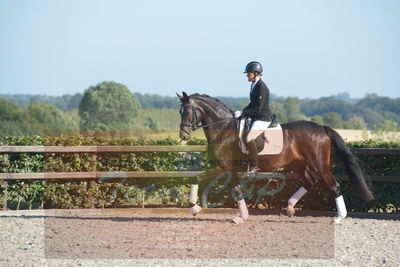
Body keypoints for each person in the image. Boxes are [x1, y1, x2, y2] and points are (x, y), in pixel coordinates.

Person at [234, 61, 272, 177]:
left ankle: (254, 167)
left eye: (249, 73)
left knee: (249, 137)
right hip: (256, 117)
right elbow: (252, 104)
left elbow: (258, 109)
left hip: (262, 118)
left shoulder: (262, 87)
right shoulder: (254, 85)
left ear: (256, 73)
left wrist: (244, 113)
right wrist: (241, 112)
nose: (247, 75)